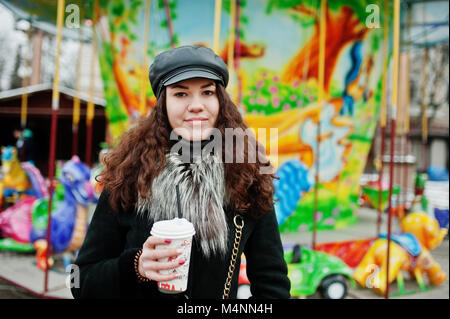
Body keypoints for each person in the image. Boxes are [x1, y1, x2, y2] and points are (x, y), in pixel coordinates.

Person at [71, 45, 290, 299]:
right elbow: (80, 281)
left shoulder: (248, 177)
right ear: (163, 104)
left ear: (220, 101)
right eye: (181, 94)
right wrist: (136, 266)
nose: (196, 105)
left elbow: (273, 285)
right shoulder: (129, 175)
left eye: (207, 92)